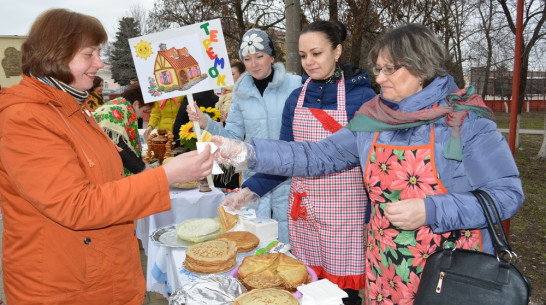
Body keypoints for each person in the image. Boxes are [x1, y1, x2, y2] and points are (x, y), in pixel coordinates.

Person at [212, 23, 524, 305]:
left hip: (448, 271)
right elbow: (315, 156)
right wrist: (246, 153)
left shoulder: (465, 121)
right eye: (378, 69)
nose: (378, 78)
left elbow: (506, 195)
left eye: (390, 69)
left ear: (422, 68)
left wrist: (430, 210)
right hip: (385, 266)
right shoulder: (374, 117)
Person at [0, 9, 212, 304]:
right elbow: (77, 205)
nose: (100, 63)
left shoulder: (71, 109)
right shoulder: (26, 119)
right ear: (56, 54)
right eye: (90, 54)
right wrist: (166, 176)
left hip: (99, 275)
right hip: (65, 287)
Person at [222, 20, 375, 304]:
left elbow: (374, 165)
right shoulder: (296, 98)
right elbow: (285, 158)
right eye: (303, 56)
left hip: (346, 216)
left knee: (343, 296)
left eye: (316, 53)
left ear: (337, 51)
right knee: (306, 290)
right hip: (305, 215)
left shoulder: (362, 97)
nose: (309, 62)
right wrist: (249, 190)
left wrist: (372, 216)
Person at [187, 28, 301, 243]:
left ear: (272, 57)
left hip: (290, 179)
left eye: (259, 56)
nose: (254, 63)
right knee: (259, 244)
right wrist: (206, 123)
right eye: (247, 59)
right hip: (256, 180)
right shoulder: (240, 94)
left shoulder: (295, 85)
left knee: (292, 246)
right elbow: (233, 137)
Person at [93, 83, 151, 176]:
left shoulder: (121, 106)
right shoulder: (116, 109)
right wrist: (143, 169)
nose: (141, 116)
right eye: (144, 111)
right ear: (136, 104)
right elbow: (119, 147)